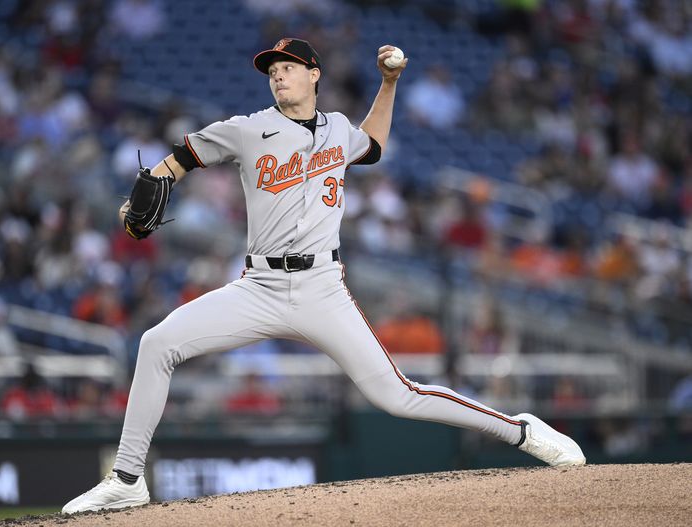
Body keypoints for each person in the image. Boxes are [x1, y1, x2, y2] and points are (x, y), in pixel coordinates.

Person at [62, 38, 585, 514]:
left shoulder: (338, 129)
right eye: (272, 70)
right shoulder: (248, 129)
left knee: (397, 395)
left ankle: (520, 430)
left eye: (288, 67)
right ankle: (127, 479)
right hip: (259, 288)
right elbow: (182, 158)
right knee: (157, 343)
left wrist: (388, 83)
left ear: (314, 74)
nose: (278, 75)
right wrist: (149, 186)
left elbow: (372, 144)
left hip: (321, 288)